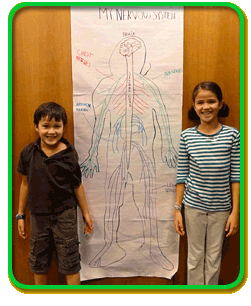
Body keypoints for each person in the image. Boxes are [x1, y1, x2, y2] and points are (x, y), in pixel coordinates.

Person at [16, 102, 94, 285]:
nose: (51, 132)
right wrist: (20, 214)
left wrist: (86, 213)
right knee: (38, 262)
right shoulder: (28, 152)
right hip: (38, 217)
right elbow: (24, 184)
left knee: (70, 262)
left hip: (65, 216)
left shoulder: (69, 154)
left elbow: (77, 185)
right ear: (36, 127)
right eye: (46, 126)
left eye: (57, 126)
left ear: (63, 128)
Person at [174, 81, 240, 285]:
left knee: (213, 259)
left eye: (211, 101)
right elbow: (181, 176)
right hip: (193, 208)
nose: (206, 107)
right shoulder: (187, 136)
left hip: (221, 210)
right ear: (194, 106)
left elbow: (236, 177)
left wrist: (235, 212)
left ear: (220, 104)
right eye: (200, 102)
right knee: (194, 259)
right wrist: (177, 209)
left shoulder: (232, 135)